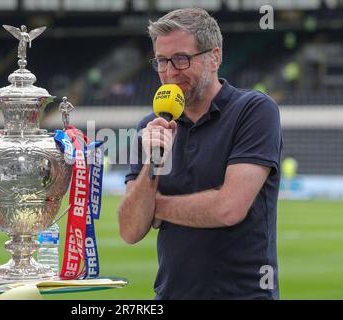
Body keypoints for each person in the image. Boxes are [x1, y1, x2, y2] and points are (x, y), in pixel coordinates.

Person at [118, 8, 282, 300]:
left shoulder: (254, 110)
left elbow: (228, 208)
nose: (169, 72)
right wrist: (153, 163)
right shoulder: (150, 126)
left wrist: (155, 208)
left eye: (181, 59)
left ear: (214, 57)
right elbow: (131, 230)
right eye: (161, 61)